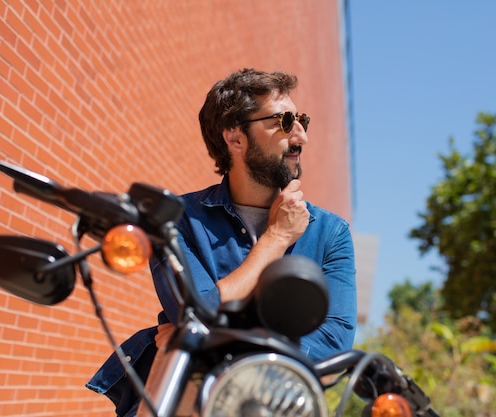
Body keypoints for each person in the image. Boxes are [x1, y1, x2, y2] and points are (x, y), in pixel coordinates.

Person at [87, 68, 357, 417]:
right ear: (236, 138)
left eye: (302, 119)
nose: (301, 136)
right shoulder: (173, 220)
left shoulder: (331, 233)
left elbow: (333, 345)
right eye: (285, 120)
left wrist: (212, 339)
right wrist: (277, 238)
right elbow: (196, 312)